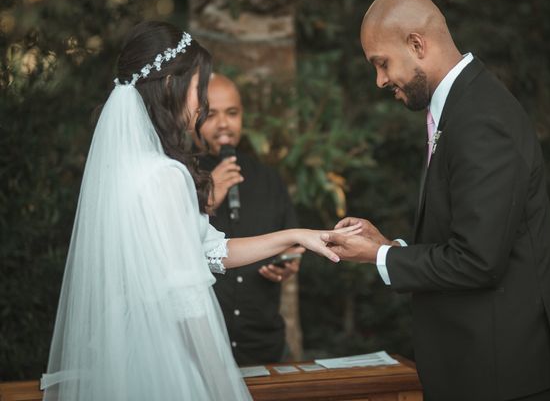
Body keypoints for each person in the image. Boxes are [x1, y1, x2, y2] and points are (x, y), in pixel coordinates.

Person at [40, 21, 358, 401]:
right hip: (167, 363)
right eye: (199, 88)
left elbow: (211, 251)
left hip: (124, 358)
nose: (203, 104)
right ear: (173, 85)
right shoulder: (166, 175)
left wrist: (296, 235)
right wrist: (222, 384)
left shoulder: (124, 170)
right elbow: (189, 302)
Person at [323, 0, 550, 401]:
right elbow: (465, 237)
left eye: (382, 63)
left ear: (417, 45)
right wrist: (389, 245)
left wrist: (379, 256)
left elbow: (478, 262)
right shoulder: (460, 107)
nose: (379, 80)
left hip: (504, 376)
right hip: (481, 367)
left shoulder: (480, 119)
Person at [194, 72, 301, 365]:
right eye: (211, 114)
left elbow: (291, 244)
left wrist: (288, 265)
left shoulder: (268, 179)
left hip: (263, 346)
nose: (224, 124)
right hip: (201, 351)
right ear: (195, 118)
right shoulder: (181, 177)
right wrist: (204, 195)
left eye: (232, 113)